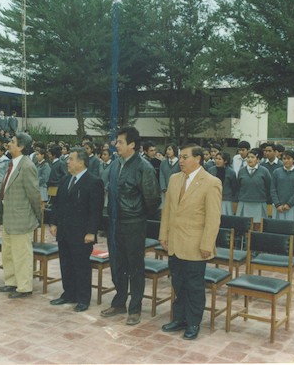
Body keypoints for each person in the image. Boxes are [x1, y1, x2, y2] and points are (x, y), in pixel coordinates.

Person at [159, 144, 221, 340]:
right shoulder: (174, 179)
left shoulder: (211, 182)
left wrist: (207, 244)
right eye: (180, 157)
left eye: (185, 157)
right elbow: (167, 210)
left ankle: (193, 323)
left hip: (196, 245)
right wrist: (164, 235)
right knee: (178, 283)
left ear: (198, 159)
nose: (181, 161)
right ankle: (180, 319)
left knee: (194, 286)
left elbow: (213, 218)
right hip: (175, 243)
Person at [102, 126, 161, 326]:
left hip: (134, 223)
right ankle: (119, 302)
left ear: (132, 145)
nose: (115, 145)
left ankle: (135, 308)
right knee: (117, 265)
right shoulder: (115, 164)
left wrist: (136, 213)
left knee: (135, 266)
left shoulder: (144, 167)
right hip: (114, 223)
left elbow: (152, 199)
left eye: (119, 142)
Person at [49, 147, 104, 312]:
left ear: (81, 162)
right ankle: (69, 294)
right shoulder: (66, 180)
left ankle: (83, 298)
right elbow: (57, 204)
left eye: (71, 159)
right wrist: (53, 223)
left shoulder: (93, 181)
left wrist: (91, 232)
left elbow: (96, 210)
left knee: (81, 266)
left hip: (82, 233)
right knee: (66, 264)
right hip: (64, 231)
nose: (68, 162)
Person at [0, 132, 41, 298]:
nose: (9, 144)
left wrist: (37, 217)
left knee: (21, 254)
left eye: (13, 142)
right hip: (9, 217)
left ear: (21, 146)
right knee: (8, 253)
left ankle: (24, 287)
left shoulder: (27, 166)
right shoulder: (12, 163)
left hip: (22, 219)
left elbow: (34, 194)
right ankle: (11, 282)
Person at [236, 148, 271, 230]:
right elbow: (238, 186)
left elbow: (268, 186)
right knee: (244, 227)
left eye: (252, 157)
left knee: (258, 227)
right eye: (248, 157)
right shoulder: (241, 171)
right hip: (244, 201)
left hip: (259, 202)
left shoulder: (264, 171)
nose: (250, 159)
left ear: (258, 159)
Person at [270, 150, 294, 221]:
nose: (286, 161)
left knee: (291, 229)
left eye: (288, 158)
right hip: (278, 207)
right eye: (284, 159)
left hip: (292, 207)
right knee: (276, 229)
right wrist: (277, 204)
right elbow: (273, 189)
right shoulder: (276, 172)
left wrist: (289, 204)